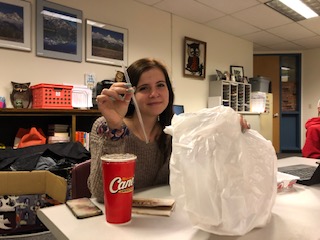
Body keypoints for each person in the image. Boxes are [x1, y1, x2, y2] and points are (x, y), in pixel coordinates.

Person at [88, 58, 250, 203]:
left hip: (166, 222)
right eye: (144, 88)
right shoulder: (105, 126)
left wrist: (229, 128)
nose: (154, 94)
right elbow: (101, 195)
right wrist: (115, 127)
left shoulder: (175, 132)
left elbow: (204, 174)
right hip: (119, 220)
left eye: (160, 85)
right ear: (130, 95)